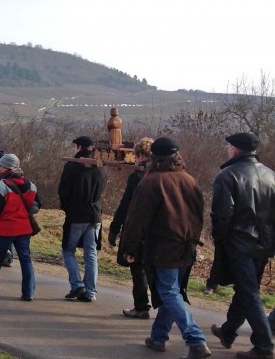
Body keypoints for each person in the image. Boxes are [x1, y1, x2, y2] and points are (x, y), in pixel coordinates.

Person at [120, 137, 211, 359]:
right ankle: (158, 336)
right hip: (186, 245)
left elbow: (136, 220)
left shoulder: (151, 182)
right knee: (173, 292)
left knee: (169, 292)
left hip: (163, 246)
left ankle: (196, 340)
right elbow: (199, 216)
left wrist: (129, 249)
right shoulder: (190, 180)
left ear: (154, 157)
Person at [210, 132, 275, 359]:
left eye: (229, 146)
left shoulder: (227, 176)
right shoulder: (271, 175)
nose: (227, 149)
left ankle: (264, 346)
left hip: (239, 243)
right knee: (246, 290)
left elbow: (221, 215)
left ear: (235, 150)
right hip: (264, 244)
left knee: (249, 294)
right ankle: (227, 333)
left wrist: (219, 239)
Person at [0, 154, 38, 301]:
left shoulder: (2, 185)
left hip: (5, 228)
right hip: (23, 228)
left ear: (7, 168)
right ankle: (28, 292)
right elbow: (36, 206)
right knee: (25, 260)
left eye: (1, 166)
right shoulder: (31, 185)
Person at [108, 137, 154, 319]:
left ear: (140, 155)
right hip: (157, 229)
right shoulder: (160, 173)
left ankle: (141, 305)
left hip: (138, 228)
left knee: (138, 267)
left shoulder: (138, 175)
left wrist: (115, 226)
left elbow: (126, 203)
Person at [58, 135, 107, 302]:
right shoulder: (102, 166)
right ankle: (91, 291)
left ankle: (77, 284)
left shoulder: (72, 166)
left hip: (76, 213)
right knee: (91, 253)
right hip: (95, 213)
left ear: (79, 147)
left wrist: (67, 208)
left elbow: (63, 191)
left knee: (68, 250)